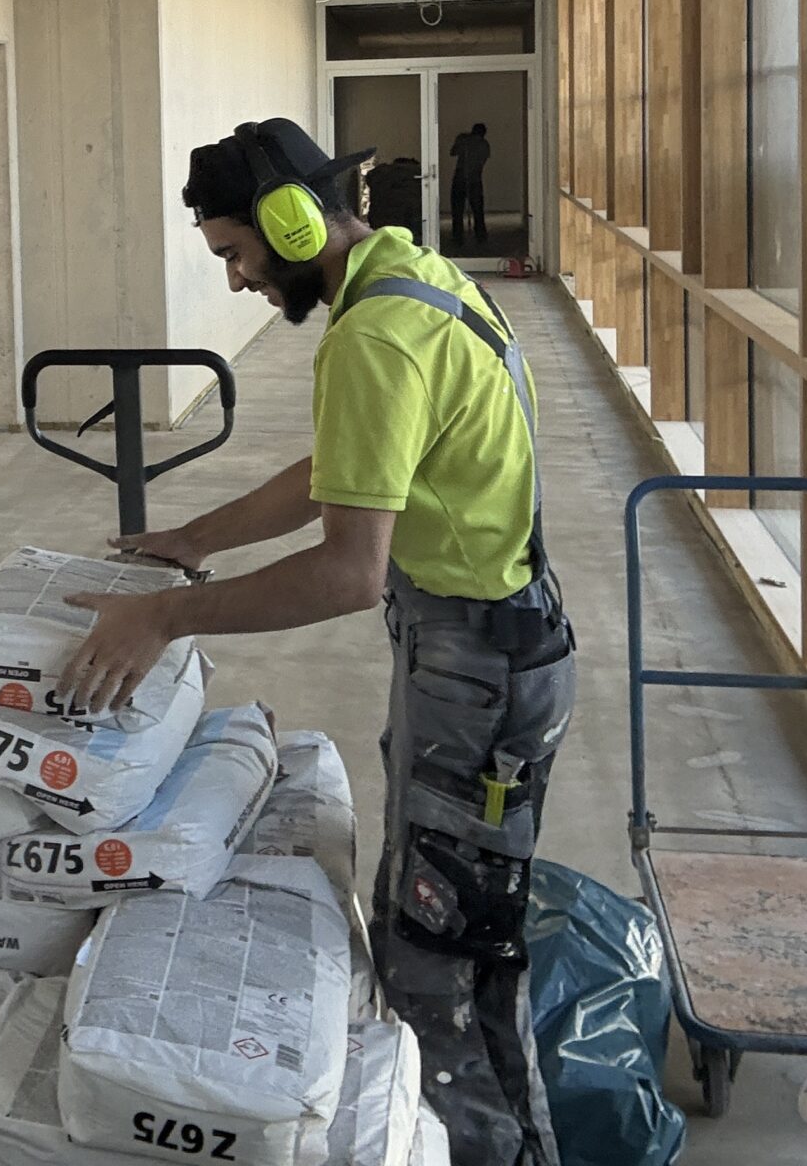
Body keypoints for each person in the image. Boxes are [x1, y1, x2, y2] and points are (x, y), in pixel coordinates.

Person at [59, 117, 575, 1166]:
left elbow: (350, 570)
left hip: (477, 666)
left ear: (291, 224)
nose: (240, 278)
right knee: (429, 919)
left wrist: (160, 617)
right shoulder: (410, 285)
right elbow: (344, 466)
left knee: (447, 958)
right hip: (476, 648)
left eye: (236, 252)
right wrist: (195, 539)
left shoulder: (376, 335)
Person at [449, 120, 492, 249]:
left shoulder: (467, 141)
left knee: (460, 209)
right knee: (476, 209)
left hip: (465, 178)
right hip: (472, 179)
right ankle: (480, 236)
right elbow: (453, 152)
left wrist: (464, 141)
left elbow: (453, 152)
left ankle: (459, 237)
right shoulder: (483, 144)